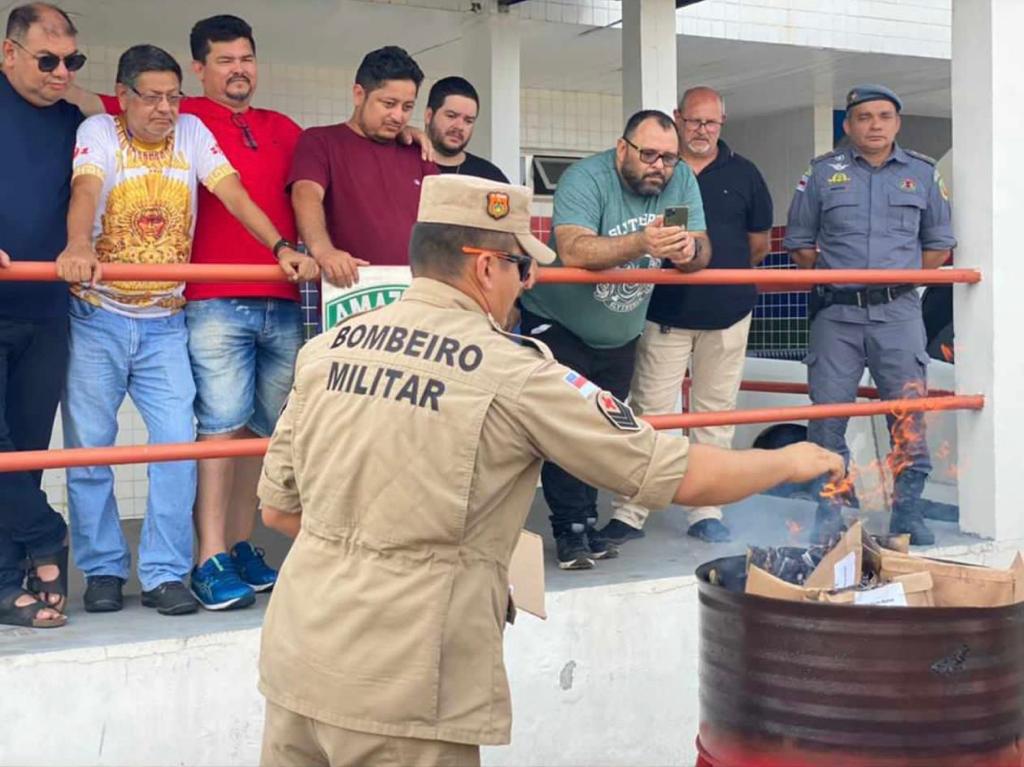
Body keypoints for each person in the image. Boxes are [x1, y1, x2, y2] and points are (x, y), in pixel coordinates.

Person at [255, 173, 844, 767]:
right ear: (486, 267)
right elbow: (676, 475)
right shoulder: (516, 373)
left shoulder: (329, 349)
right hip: (404, 684)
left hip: (298, 662)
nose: (527, 281)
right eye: (521, 266)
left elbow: (279, 509)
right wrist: (789, 459)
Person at [57, 44, 307, 616]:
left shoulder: (192, 131)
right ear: (123, 97)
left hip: (165, 321)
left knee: (175, 447)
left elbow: (233, 192)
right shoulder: (100, 130)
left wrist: (278, 246)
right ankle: (101, 570)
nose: (166, 108)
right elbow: (86, 189)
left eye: (173, 96)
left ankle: (166, 573)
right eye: (153, 97)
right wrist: (76, 244)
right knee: (89, 451)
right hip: (98, 315)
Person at [518, 109, 710, 570]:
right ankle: (570, 529)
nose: (659, 167)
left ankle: (586, 521)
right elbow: (574, 248)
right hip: (560, 323)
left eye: (668, 157)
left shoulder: (680, 179)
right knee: (567, 430)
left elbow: (702, 249)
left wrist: (689, 252)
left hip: (621, 333)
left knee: (602, 432)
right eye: (648, 155)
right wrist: (643, 243)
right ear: (622, 148)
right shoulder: (586, 177)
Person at [784, 84, 955, 546]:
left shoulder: (921, 173)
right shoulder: (822, 173)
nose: (874, 124)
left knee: (907, 415)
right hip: (836, 315)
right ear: (848, 124)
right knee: (827, 417)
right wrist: (839, 279)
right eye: (863, 117)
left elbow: (940, 245)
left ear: (897, 123)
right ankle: (831, 510)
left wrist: (895, 280)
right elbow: (799, 244)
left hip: (899, 314)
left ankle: (908, 512)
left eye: (884, 116)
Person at [604, 87, 773, 546]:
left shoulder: (745, 173)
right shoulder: (656, 168)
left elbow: (759, 245)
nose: (702, 131)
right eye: (694, 121)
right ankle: (632, 510)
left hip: (729, 314)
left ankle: (706, 509)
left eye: (711, 123)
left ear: (723, 122)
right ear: (678, 118)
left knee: (714, 416)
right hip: (663, 314)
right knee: (652, 415)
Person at [0, 2, 84, 629]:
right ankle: (46, 535)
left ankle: (8, 581)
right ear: (8, 53)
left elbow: (122, 117)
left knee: (26, 449)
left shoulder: (72, 122)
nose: (61, 72)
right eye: (47, 60)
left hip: (48, 311)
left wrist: (74, 91)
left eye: (71, 60)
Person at [288, 45, 437, 288]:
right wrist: (324, 251)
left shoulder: (418, 151)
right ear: (359, 94)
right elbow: (306, 194)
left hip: (416, 298)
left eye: (407, 107)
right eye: (389, 104)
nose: (398, 116)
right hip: (351, 295)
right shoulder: (321, 141)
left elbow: (444, 219)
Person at [425, 75, 509, 182]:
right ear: (428, 116)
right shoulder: (403, 164)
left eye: (468, 121)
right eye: (451, 116)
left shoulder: (490, 177)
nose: (459, 126)